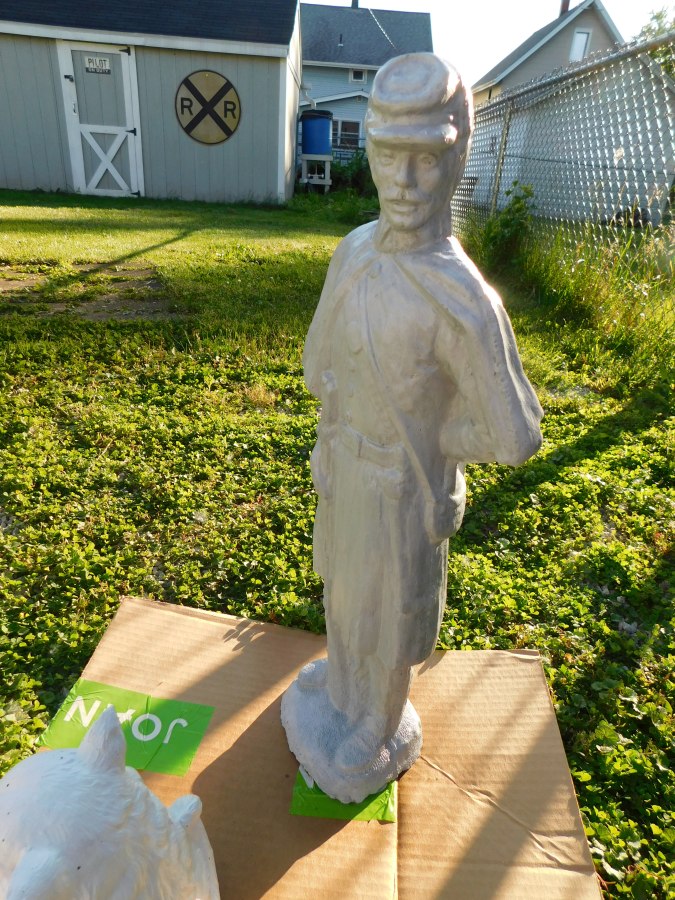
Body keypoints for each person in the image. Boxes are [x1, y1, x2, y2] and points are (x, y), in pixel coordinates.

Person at [281, 53, 543, 803]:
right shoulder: (354, 253)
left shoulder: (463, 300)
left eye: (425, 158)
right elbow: (321, 363)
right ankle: (342, 687)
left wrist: (437, 439)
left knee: (390, 612)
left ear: (456, 158)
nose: (403, 180)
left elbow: (514, 433)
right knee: (343, 590)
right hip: (344, 464)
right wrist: (331, 434)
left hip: (402, 485)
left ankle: (377, 719)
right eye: (388, 154)